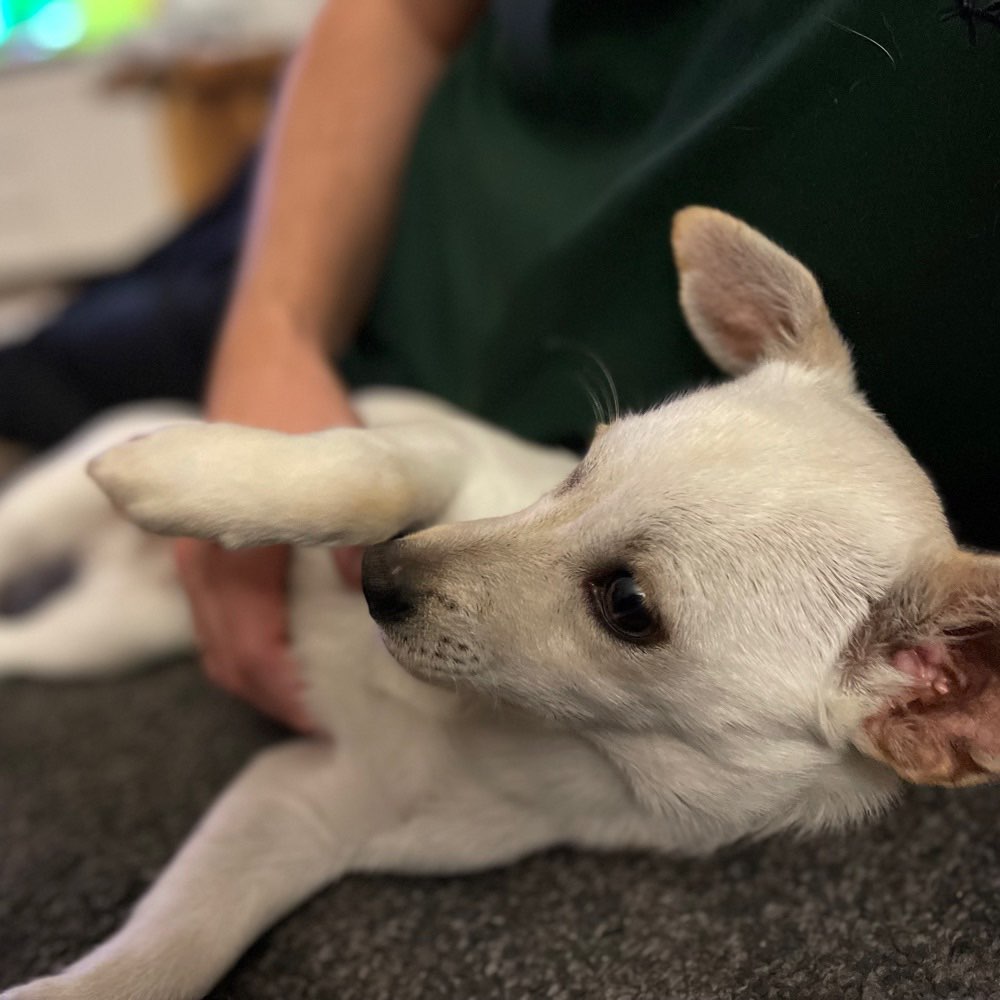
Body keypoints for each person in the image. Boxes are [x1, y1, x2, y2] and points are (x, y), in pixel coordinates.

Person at [4, 0, 999, 730]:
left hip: (491, 351)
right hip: (397, 212)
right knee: (46, 373)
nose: (404, 572)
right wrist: (273, 326)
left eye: (629, 607)